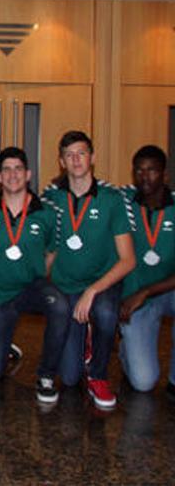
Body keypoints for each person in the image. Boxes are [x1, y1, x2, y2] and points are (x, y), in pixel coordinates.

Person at [41, 131, 135, 409]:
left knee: (105, 314)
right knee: (69, 378)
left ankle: (98, 375)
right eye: (69, 155)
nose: (76, 160)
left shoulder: (112, 199)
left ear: (92, 158)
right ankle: (86, 344)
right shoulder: (50, 199)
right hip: (66, 286)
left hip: (101, 284)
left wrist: (93, 290)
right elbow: (48, 250)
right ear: (61, 161)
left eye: (81, 153)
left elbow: (128, 260)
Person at [0, 147, 68, 387]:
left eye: (18, 169)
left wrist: (34, 272)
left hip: (30, 288)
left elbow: (52, 250)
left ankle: (46, 375)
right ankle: (4, 344)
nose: (12, 174)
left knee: (59, 306)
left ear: (28, 174)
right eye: (6, 169)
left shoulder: (47, 212)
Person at [118, 145, 175, 396]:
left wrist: (147, 291)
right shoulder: (122, 203)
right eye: (139, 170)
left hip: (169, 290)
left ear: (165, 175)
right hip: (136, 298)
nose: (145, 176)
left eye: (152, 170)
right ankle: (126, 349)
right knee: (143, 382)